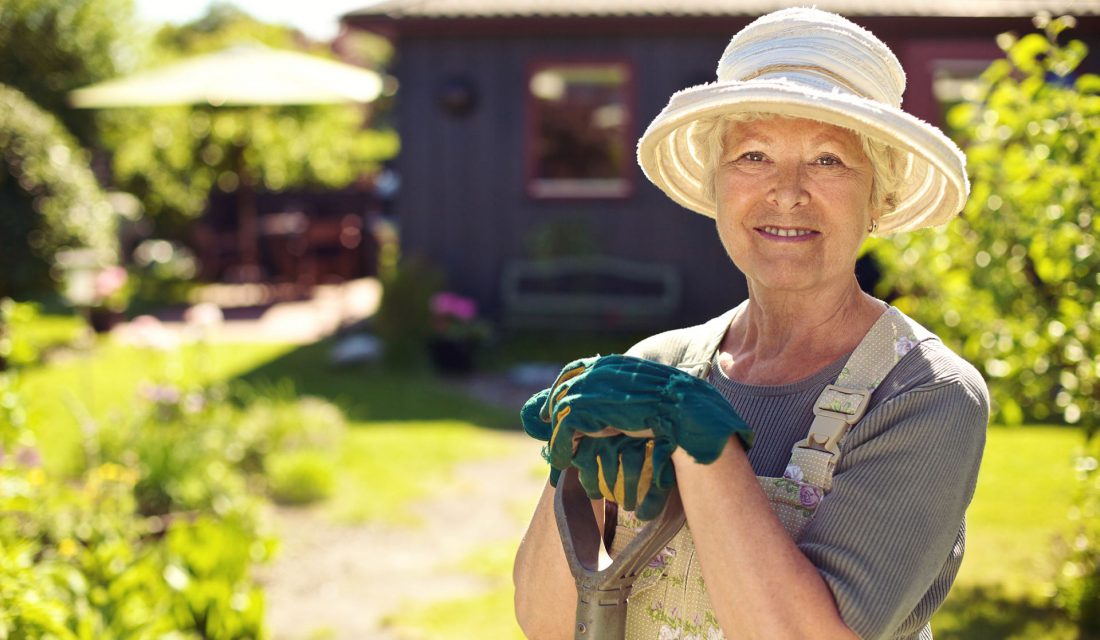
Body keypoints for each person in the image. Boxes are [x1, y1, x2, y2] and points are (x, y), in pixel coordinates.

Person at [513, 8, 989, 640]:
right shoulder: (656, 366)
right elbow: (546, 625)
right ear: (717, 186)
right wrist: (575, 474)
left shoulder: (925, 396)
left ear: (880, 198)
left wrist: (702, 449)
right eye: (754, 155)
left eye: (827, 161)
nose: (786, 192)